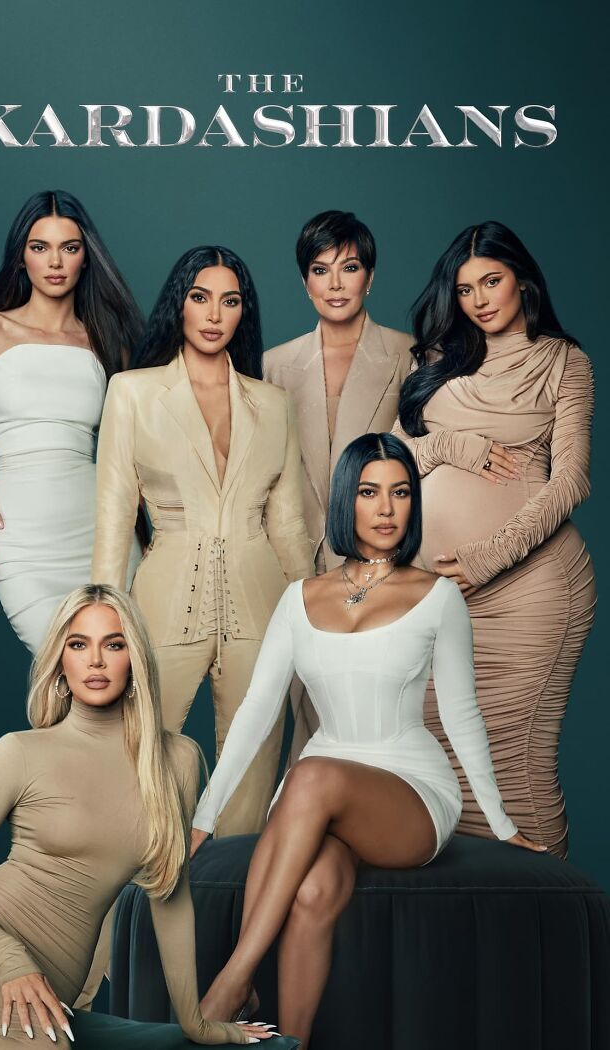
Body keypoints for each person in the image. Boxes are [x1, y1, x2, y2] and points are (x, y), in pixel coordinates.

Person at [189, 433, 544, 1049]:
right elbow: (255, 713)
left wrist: (502, 824)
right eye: (369, 492)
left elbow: (462, 715)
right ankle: (288, 1043)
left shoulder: (438, 596)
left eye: (400, 493)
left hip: (410, 793)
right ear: (344, 501)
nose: (386, 508)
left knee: (310, 773)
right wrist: (203, 817)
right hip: (317, 800)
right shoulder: (299, 599)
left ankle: (230, 984)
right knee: (314, 889)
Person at [0, 585, 275, 1048]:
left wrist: (195, 1023)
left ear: (135, 658)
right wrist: (8, 955)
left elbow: (170, 895)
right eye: (79, 644)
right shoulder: (21, 752)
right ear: (60, 660)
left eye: (114, 644)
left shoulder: (178, 761)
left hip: (51, 975)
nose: (96, 661)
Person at [92, 246, 315, 837]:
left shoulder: (273, 404)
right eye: (200, 297)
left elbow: (287, 524)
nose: (215, 314)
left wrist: (318, 617)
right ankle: (141, 894)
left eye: (230, 301)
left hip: (262, 606)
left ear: (244, 311)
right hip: (163, 602)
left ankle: (232, 893)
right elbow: (114, 517)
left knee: (251, 776)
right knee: (138, 763)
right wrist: (102, 617)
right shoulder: (132, 392)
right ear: (180, 305)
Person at [392, 220, 596, 857]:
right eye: (464, 289)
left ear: (522, 281)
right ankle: (476, 913)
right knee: (437, 750)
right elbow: (388, 462)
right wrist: (450, 446)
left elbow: (571, 481)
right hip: (438, 593)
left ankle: (554, 912)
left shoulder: (564, 361)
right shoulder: (435, 361)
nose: (479, 300)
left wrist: (487, 557)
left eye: (491, 281)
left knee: (517, 761)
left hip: (531, 590)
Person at [0, 190, 142, 654]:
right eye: (40, 247)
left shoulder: (105, 341)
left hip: (100, 527)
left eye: (69, 248)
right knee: (60, 662)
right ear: (21, 257)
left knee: (116, 669)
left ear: (85, 258)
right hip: (23, 529)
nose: (55, 262)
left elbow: (137, 445)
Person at [263, 211, 412, 756]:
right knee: (306, 717)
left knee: (377, 716)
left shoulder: (410, 355)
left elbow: (423, 457)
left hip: (382, 563)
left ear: (369, 276)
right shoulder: (274, 365)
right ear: (305, 281)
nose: (335, 283)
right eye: (320, 269)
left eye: (348, 268)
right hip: (295, 563)